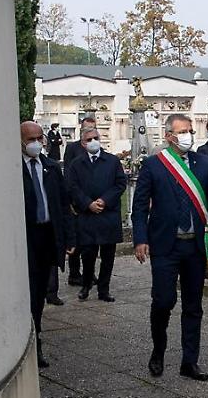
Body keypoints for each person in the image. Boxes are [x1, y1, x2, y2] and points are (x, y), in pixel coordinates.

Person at [132, 114, 208, 380]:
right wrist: (140, 239)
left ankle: (190, 361)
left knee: (193, 306)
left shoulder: (204, 163)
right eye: (182, 131)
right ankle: (158, 350)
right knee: (164, 301)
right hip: (166, 246)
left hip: (194, 247)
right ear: (169, 137)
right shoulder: (154, 165)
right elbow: (140, 206)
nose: (188, 135)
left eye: (190, 130)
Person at [20, 121, 73, 368]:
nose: (36, 143)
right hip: (26, 238)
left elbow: (63, 205)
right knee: (28, 292)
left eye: (39, 138)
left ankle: (37, 338)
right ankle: (28, 342)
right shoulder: (14, 168)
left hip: (47, 236)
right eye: (30, 139)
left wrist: (69, 238)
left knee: (40, 292)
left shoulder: (50, 167)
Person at [65, 126, 127, 303]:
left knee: (108, 256)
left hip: (108, 214)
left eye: (95, 138)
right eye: (88, 140)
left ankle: (104, 289)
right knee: (88, 255)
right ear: (83, 144)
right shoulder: (77, 163)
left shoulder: (112, 161)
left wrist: (104, 200)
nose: (93, 142)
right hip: (88, 216)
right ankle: (86, 285)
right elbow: (72, 187)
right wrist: (87, 203)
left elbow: (120, 184)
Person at [61, 116, 98, 286]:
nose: (90, 133)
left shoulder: (96, 146)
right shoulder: (72, 148)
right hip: (77, 202)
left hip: (93, 202)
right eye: (87, 129)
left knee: (91, 242)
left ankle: (90, 273)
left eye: (93, 128)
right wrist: (71, 201)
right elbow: (68, 175)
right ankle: (74, 274)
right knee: (76, 241)